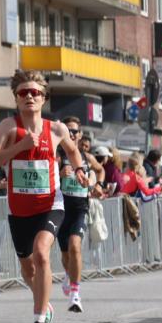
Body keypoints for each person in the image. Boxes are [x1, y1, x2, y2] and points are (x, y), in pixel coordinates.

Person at [0, 70, 86, 323]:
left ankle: (39, 321)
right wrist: (19, 147)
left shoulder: (56, 129)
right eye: (23, 93)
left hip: (50, 204)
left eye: (35, 92)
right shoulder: (8, 127)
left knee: (42, 254)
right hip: (19, 211)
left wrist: (79, 169)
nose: (30, 96)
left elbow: (73, 150)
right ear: (16, 98)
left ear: (44, 97)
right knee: (28, 271)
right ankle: (46, 303)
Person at [57, 116, 95, 313]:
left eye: (74, 131)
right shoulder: (57, 155)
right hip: (60, 209)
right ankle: (68, 275)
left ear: (80, 135)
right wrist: (58, 174)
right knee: (65, 254)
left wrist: (95, 184)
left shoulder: (86, 157)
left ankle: (75, 293)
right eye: (68, 131)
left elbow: (99, 171)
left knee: (75, 246)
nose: (71, 134)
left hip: (80, 207)